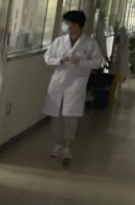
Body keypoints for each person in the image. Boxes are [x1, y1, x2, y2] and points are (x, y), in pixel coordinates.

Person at [43, 10, 104, 163]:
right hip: (58, 81)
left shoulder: (90, 43)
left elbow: (97, 62)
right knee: (56, 115)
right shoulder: (59, 41)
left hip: (76, 82)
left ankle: (67, 147)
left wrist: (80, 62)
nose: (64, 26)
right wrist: (60, 60)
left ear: (76, 25)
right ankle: (56, 144)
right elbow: (48, 58)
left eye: (66, 23)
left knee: (71, 116)